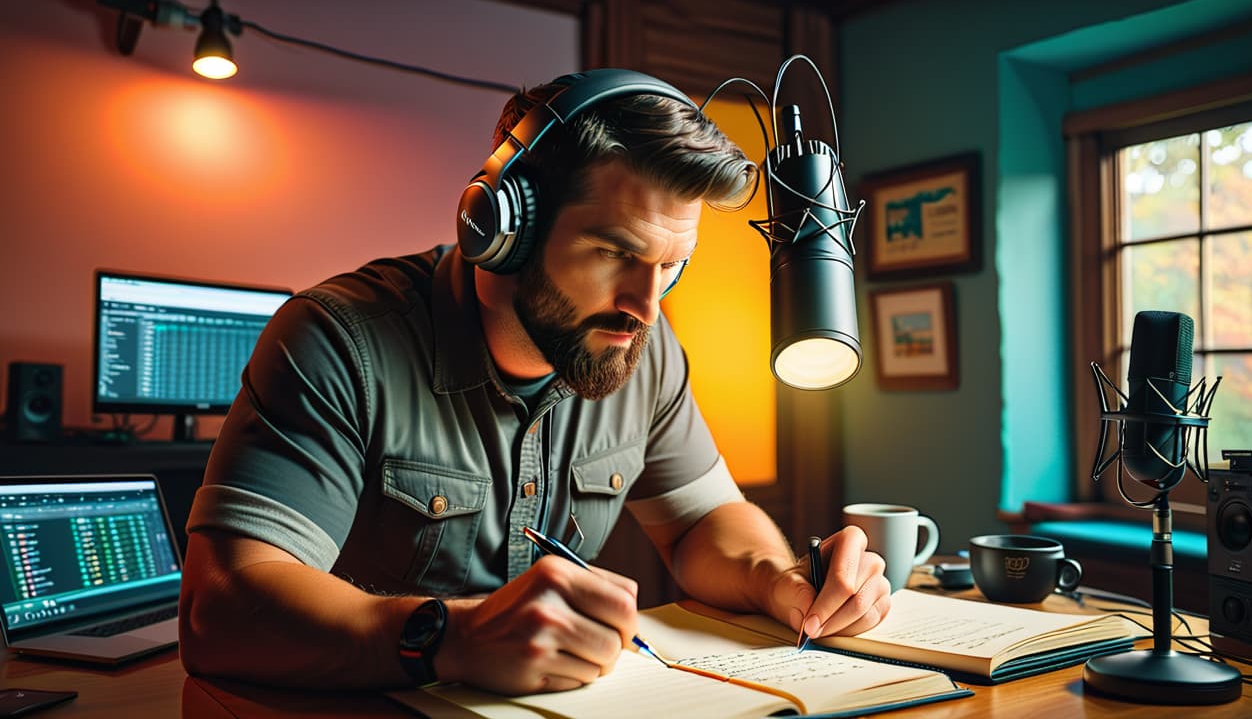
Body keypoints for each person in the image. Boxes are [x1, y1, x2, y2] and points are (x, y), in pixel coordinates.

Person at [178, 69, 891, 695]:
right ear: (501, 226)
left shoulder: (644, 344)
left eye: (672, 265)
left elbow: (704, 520)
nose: (646, 306)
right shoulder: (338, 339)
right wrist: (451, 639)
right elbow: (222, 609)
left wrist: (775, 578)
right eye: (616, 251)